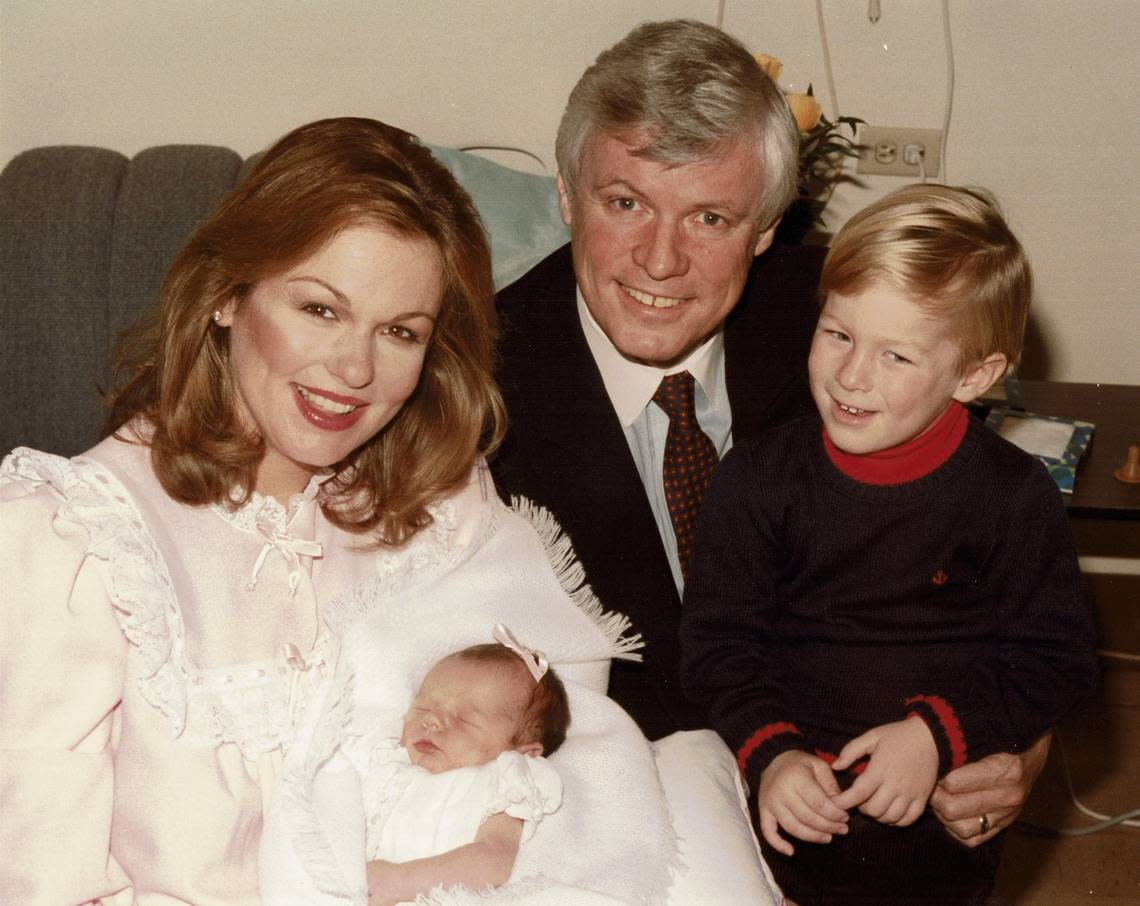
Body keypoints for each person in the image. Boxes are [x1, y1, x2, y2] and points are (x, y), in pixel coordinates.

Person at [490, 16, 1049, 849]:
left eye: (710, 218)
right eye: (626, 203)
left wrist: (1021, 752)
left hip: (862, 813)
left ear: (765, 229)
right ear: (567, 196)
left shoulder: (843, 332)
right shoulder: (479, 386)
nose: (660, 259)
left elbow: (994, 574)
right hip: (612, 820)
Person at [0, 116, 588, 904]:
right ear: (224, 297)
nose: (354, 368)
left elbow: (556, 771)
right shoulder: (74, 541)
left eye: (400, 332)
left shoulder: (444, 509)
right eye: (320, 309)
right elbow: (42, 885)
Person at [680, 184, 1100, 904]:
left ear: (974, 376)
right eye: (838, 334)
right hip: (785, 814)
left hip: (935, 835)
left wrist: (938, 736)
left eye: (895, 357)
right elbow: (717, 646)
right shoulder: (758, 478)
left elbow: (1056, 658)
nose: (850, 375)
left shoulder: (1012, 495)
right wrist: (771, 755)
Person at [265, 631, 569, 906]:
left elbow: (496, 858)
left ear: (524, 753)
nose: (433, 722)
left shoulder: (502, 778)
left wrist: (400, 880)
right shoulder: (384, 762)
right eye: (424, 708)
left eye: (464, 719)